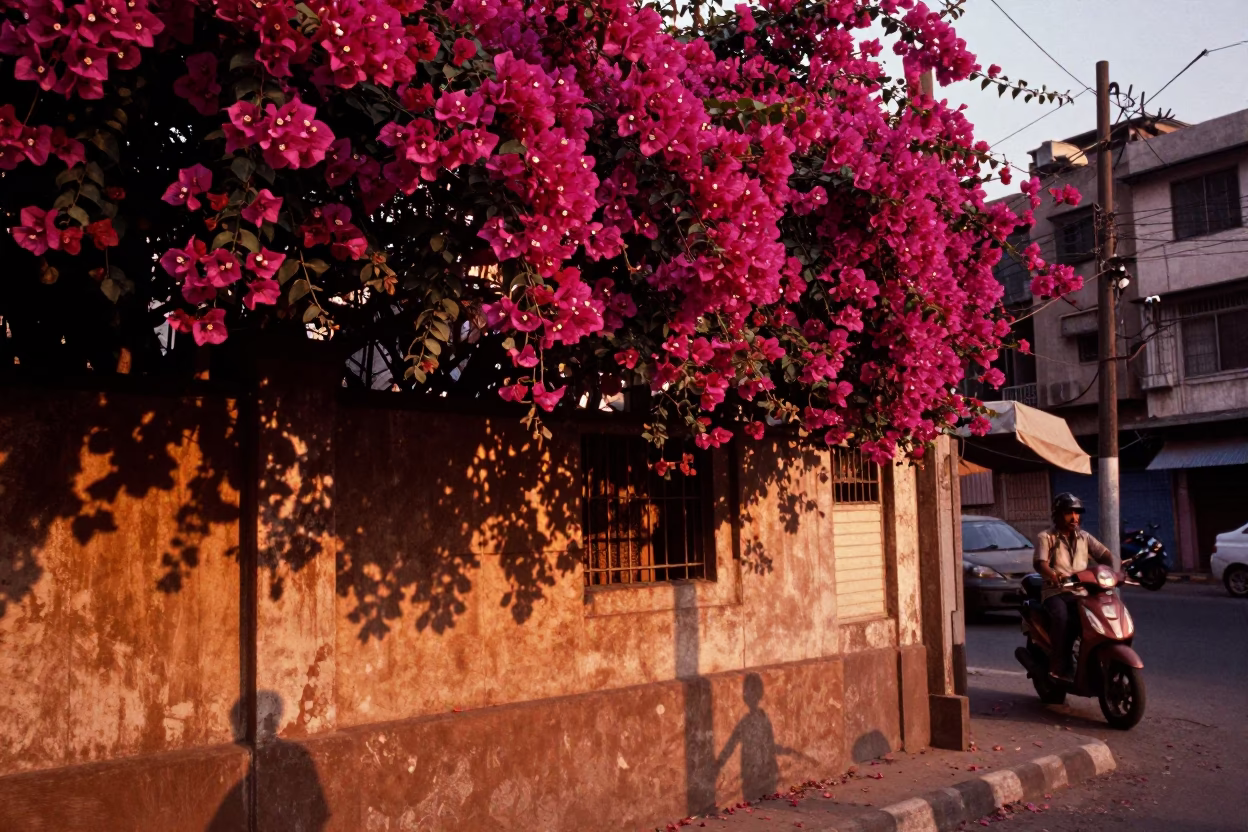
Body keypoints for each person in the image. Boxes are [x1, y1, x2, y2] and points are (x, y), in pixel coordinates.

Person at [1034, 493, 1115, 683]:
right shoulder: (1046, 537)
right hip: (1056, 592)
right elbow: (1040, 563)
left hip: (1082, 591)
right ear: (1058, 515)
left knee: (1099, 616)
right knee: (1062, 618)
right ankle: (1059, 664)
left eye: (1077, 513)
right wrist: (1054, 575)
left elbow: (1105, 555)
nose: (1074, 517)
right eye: (1068, 512)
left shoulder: (1085, 537)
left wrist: (1118, 568)